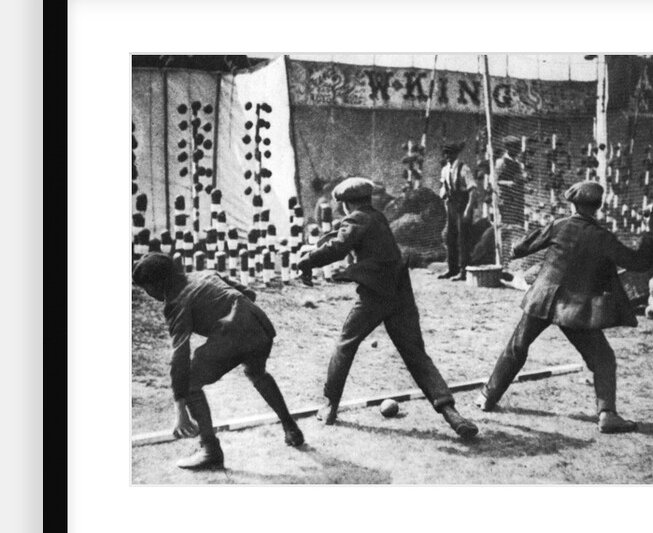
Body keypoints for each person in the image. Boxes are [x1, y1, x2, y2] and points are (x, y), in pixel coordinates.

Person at [295, 177, 479, 440]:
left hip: (376, 294)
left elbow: (339, 246)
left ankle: (329, 406)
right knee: (416, 354)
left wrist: (308, 260)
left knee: (345, 345)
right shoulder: (377, 217)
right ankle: (452, 414)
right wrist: (318, 250)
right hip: (400, 293)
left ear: (347, 204)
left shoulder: (356, 219)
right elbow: (341, 237)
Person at [475, 181, 653, 433]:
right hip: (574, 308)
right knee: (603, 358)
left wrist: (523, 245)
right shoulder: (602, 237)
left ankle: (487, 397)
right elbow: (639, 262)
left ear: (572, 203)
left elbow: (519, 248)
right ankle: (607, 413)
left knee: (517, 346)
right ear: (597, 207)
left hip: (542, 298)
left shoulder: (558, 226)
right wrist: (651, 231)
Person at [132, 253, 304, 470]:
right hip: (260, 327)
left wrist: (180, 409)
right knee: (256, 372)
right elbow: (249, 293)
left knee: (190, 384)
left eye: (147, 288)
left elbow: (180, 355)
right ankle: (291, 428)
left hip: (233, 334)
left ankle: (210, 449)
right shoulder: (205, 273)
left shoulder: (175, 301)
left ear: (159, 282)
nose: (148, 294)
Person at [437, 141, 476, 281]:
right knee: (450, 237)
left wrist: (468, 210)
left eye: (450, 153)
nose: (447, 155)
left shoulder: (464, 169)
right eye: (445, 152)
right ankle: (452, 269)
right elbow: (443, 185)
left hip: (463, 205)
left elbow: (472, 190)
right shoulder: (445, 169)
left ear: (456, 153)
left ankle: (463, 271)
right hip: (451, 206)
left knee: (463, 239)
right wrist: (443, 194)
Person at [494, 135, 527, 228]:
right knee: (507, 226)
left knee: (518, 226)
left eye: (518, 147)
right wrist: (509, 183)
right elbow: (494, 181)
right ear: (508, 148)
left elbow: (521, 178)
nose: (518, 150)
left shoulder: (518, 164)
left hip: (517, 199)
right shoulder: (501, 162)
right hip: (506, 198)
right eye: (515, 147)